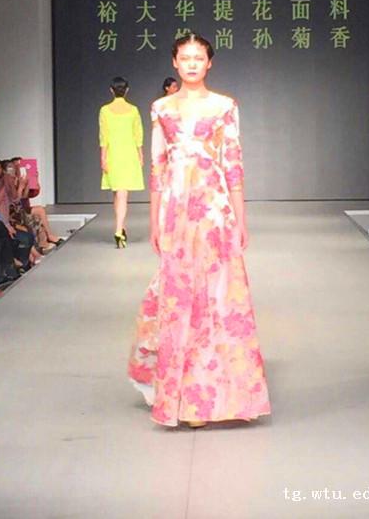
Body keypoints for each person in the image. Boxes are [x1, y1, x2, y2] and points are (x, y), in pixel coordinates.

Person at [128, 33, 271, 428]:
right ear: (174, 63)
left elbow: (234, 165)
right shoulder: (161, 109)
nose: (192, 63)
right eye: (185, 57)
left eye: (199, 57)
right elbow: (157, 167)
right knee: (179, 298)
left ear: (210, 63)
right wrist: (154, 221)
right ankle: (184, 397)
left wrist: (240, 219)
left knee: (221, 297)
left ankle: (224, 396)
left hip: (214, 209)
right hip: (176, 211)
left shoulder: (225, 106)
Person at [99, 77, 145, 248]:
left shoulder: (105, 110)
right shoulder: (133, 110)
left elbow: (103, 136)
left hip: (113, 154)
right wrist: (140, 154)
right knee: (122, 194)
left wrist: (103, 157)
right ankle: (119, 230)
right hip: (129, 153)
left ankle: (121, 228)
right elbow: (138, 134)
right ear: (127, 90)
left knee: (118, 192)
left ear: (111, 90)